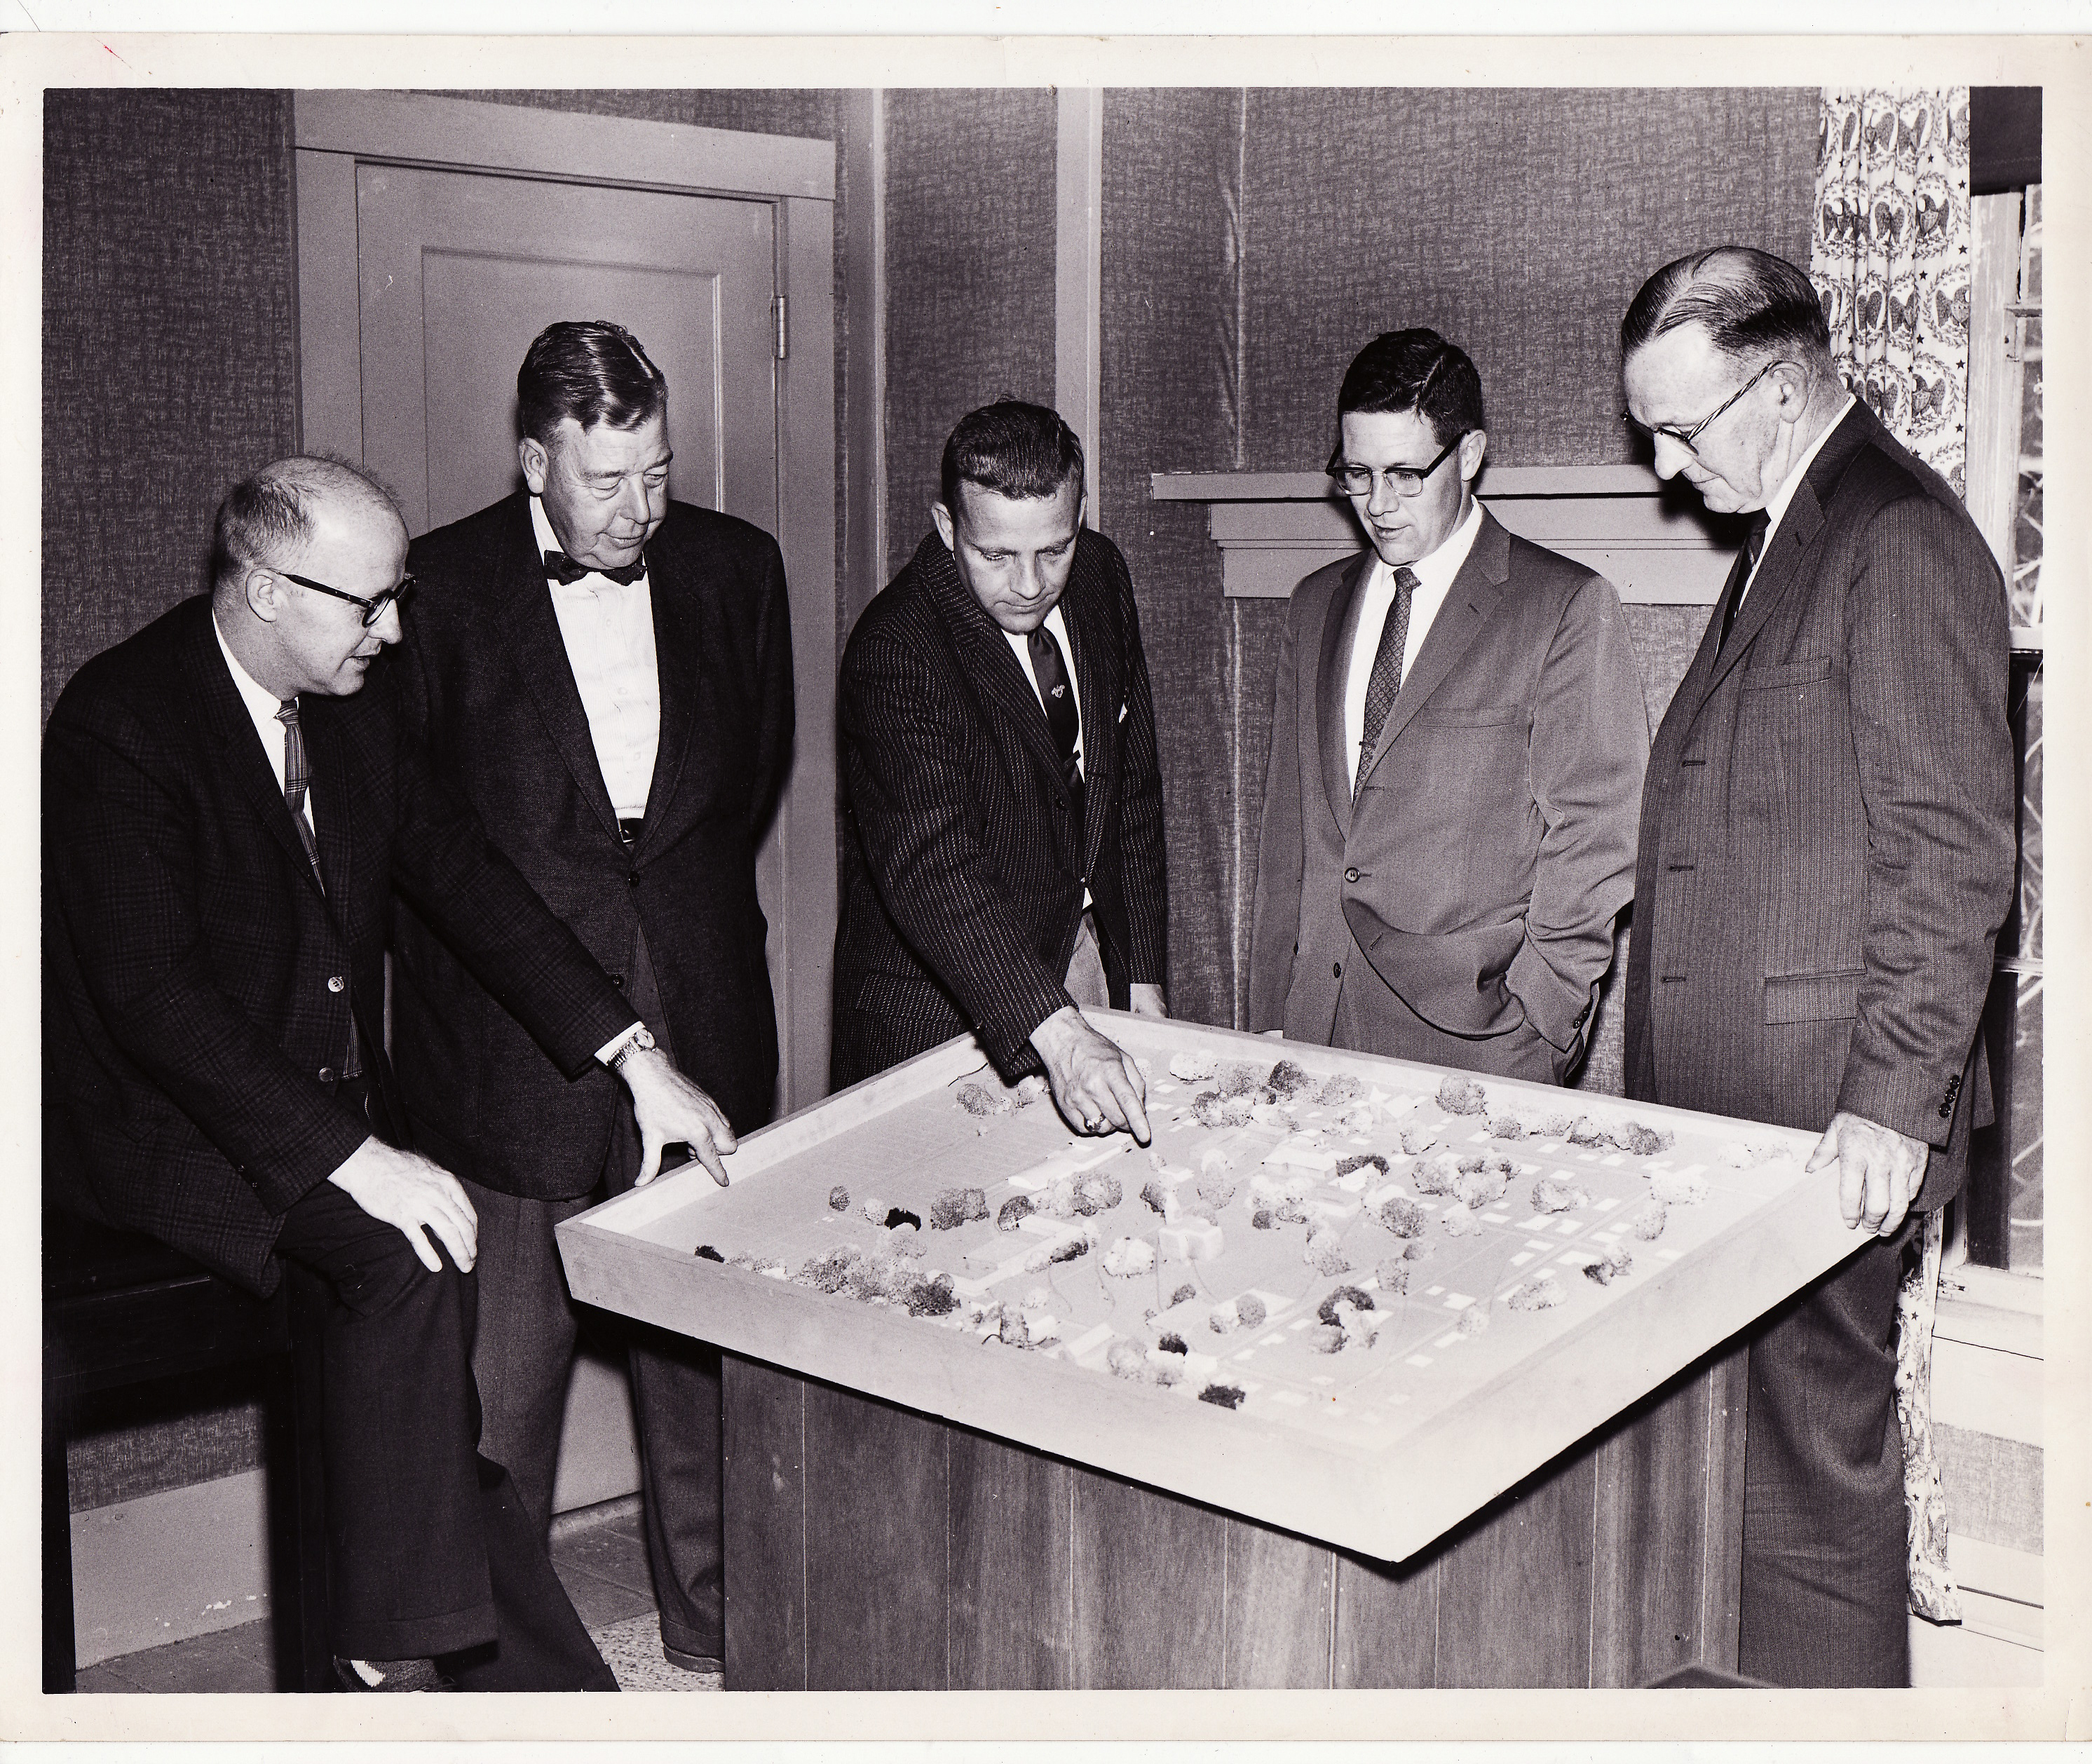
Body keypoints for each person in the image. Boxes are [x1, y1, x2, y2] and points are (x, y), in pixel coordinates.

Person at [44, 456, 737, 1692]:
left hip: (318, 1106)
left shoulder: (354, 707)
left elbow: (471, 885)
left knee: (424, 1305)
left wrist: (634, 1057)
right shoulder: (123, 722)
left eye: (398, 596)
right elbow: (158, 1006)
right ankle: (400, 1643)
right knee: (406, 1252)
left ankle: (461, 1654)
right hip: (167, 1131)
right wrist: (356, 1159)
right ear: (266, 590)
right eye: (369, 603)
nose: (396, 630)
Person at [1617, 246, 2016, 1686]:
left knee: (1808, 1488)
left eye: (1680, 429)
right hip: (1750, 1118)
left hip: (1826, 1124)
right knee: (1753, 1477)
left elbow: (1951, 851)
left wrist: (1888, 1106)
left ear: (1780, 391)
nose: (1663, 467)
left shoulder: (1895, 536)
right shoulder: (1794, 528)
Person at [395, 320, 792, 1675]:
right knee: (504, 1389)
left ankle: (714, 1629)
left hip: (702, 1008)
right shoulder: (436, 590)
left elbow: (741, 787)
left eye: (657, 474)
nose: (638, 512)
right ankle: (494, 1666)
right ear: (532, 465)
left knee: (705, 1368)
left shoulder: (737, 569)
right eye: (605, 482)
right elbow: (430, 850)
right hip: (510, 1049)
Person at [1249, 329, 1648, 1082]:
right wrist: (1271, 1013)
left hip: (1480, 1040)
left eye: (1405, 473)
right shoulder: (1314, 604)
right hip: (1313, 1028)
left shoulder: (1561, 605)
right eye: (1357, 473)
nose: (1378, 504)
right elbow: (1288, 831)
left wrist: (1540, 1020)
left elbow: (1598, 834)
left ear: (1468, 456)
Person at [833, 400, 1167, 1140]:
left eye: (1054, 548)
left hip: (1084, 962)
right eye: (995, 556)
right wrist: (1060, 1032)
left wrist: (1141, 973)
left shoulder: (1101, 574)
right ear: (946, 526)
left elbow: (1130, 788)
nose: (1029, 582)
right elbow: (934, 867)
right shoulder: (895, 651)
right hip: (943, 1010)